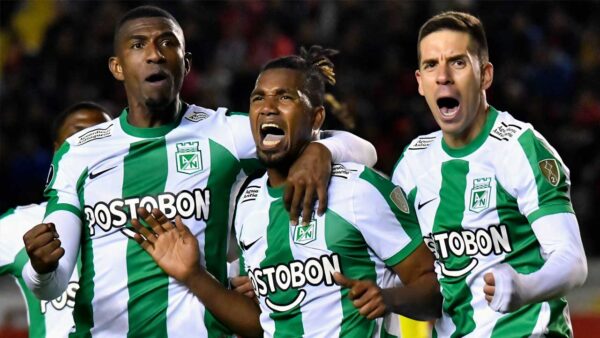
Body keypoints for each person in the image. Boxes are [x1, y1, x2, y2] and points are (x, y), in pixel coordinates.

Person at [21, 6, 376, 337]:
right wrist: (40, 268)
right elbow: (53, 281)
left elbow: (365, 151)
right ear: (117, 66)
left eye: (167, 43)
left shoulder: (224, 133)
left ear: (185, 63)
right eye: (138, 44)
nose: (154, 54)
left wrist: (321, 149)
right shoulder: (80, 151)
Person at [130, 46, 441, 337]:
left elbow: (436, 288)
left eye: (284, 98)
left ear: (317, 117)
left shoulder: (360, 189)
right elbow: (265, 324)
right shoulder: (248, 205)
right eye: (258, 98)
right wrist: (194, 276)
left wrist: (389, 298)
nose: (267, 108)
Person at [391, 11, 587, 337]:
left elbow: (572, 260)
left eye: (457, 62)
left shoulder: (520, 148)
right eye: (430, 65)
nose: (443, 76)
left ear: (485, 75)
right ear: (420, 83)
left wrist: (525, 287)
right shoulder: (413, 164)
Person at [0, 102, 111, 338]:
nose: (91, 145)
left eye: (103, 136)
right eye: (79, 134)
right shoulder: (20, 224)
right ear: (57, 150)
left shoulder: (140, 218)